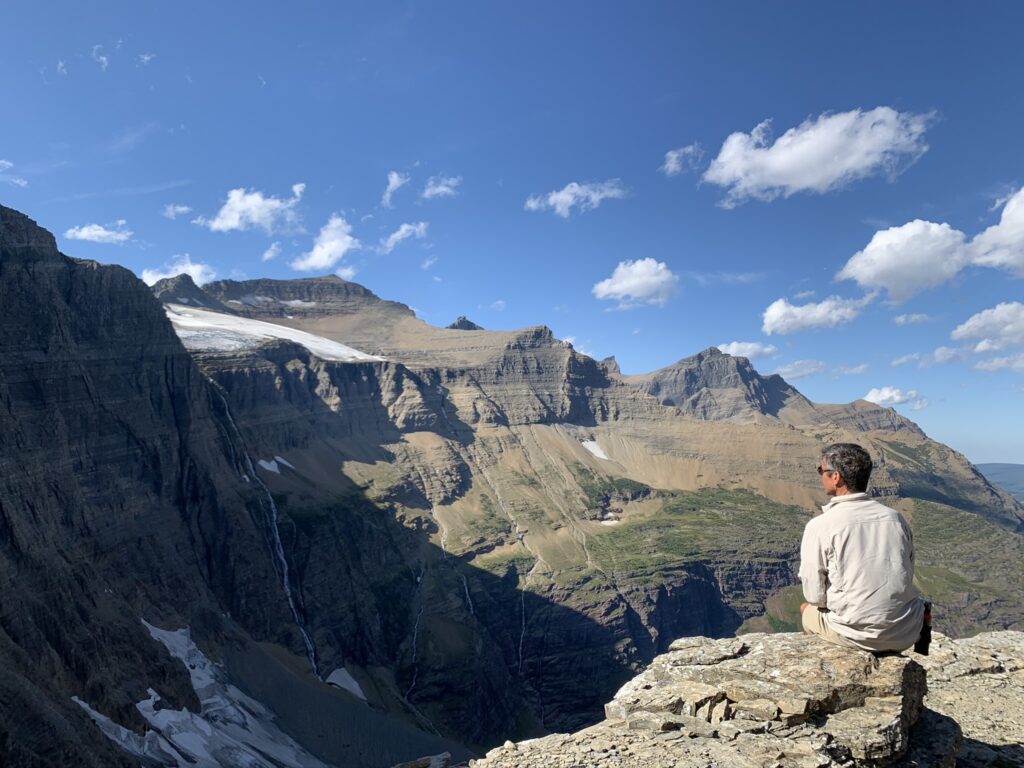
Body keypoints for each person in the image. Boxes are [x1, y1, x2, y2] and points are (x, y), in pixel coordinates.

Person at [798, 442, 924, 652]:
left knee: (806, 609)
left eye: (821, 471)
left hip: (854, 634)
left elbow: (814, 596)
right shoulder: (896, 519)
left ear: (835, 477)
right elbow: (907, 572)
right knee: (922, 606)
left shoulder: (820, 525)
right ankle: (923, 664)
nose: (820, 475)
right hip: (907, 632)